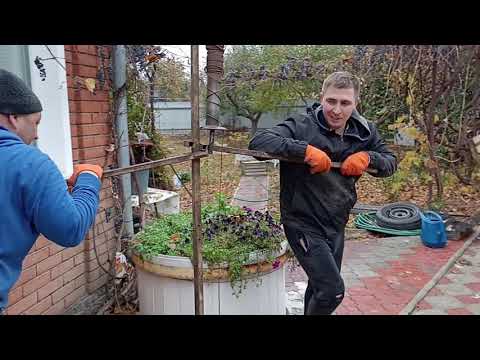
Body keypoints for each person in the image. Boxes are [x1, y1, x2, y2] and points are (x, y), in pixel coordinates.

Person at [249, 71, 397, 315]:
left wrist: (369, 157)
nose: (337, 110)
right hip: (302, 222)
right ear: (322, 98)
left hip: (336, 222)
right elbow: (258, 142)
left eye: (345, 103)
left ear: (355, 104)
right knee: (332, 291)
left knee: (319, 288)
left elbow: (390, 162)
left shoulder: (364, 132)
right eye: (331, 101)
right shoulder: (302, 125)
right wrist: (303, 150)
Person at [0, 69, 103, 314]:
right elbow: (71, 228)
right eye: (35, 123)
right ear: (13, 117)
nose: (36, 134)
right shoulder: (29, 164)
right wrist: (89, 179)